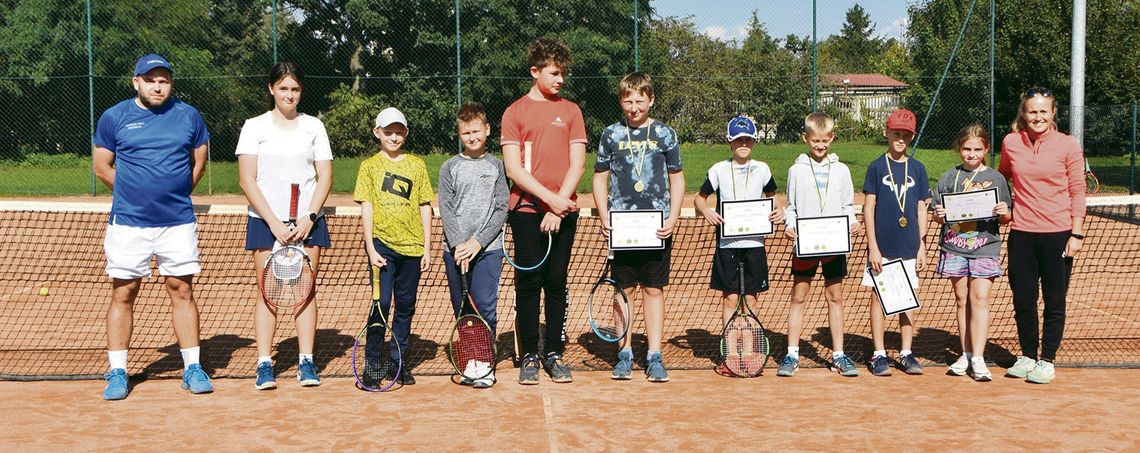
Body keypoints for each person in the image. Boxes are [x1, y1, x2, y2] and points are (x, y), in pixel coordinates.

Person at [92, 54, 213, 400]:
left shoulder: (188, 115)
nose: (158, 86)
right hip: (129, 223)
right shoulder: (115, 117)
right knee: (124, 292)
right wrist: (136, 194)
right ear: (136, 82)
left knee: (182, 290)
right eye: (150, 79)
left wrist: (171, 194)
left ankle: (192, 367)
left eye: (164, 80)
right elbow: (102, 166)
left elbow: (198, 162)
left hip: (177, 222)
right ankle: (117, 372)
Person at [236, 62, 332, 390]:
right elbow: (247, 179)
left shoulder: (314, 127)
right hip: (265, 223)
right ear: (271, 89)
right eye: (283, 88)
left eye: (294, 89)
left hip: (308, 224)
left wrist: (310, 216)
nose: (289, 94)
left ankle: (306, 361)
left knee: (305, 290)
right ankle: (265, 363)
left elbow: (325, 176)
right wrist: (274, 222)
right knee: (268, 292)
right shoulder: (254, 127)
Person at [500, 37, 587, 385]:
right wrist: (547, 201)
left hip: (563, 211)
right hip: (524, 211)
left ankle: (554, 352)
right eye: (554, 73)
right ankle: (530, 356)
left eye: (563, 73)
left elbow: (577, 164)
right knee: (528, 282)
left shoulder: (571, 111)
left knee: (556, 282)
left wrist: (559, 204)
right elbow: (513, 170)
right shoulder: (514, 112)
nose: (560, 79)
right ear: (535, 71)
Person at [592, 72, 684, 383]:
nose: (633, 106)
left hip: (656, 228)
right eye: (628, 100)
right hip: (623, 227)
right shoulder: (610, 135)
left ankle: (654, 354)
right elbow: (599, 178)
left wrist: (672, 218)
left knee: (653, 290)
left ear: (651, 100)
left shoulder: (665, 134)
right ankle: (625, 352)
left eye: (639, 100)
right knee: (623, 291)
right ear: (621, 101)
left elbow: (677, 178)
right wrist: (605, 216)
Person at [998, 87, 1087, 384]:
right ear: (1023, 114)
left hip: (1058, 234)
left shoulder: (1068, 145)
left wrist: (1076, 233)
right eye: (1032, 111)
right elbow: (1001, 180)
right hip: (1021, 234)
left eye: (1043, 111)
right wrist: (1005, 210)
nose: (1037, 117)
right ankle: (1026, 355)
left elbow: (1077, 189)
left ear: (1052, 114)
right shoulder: (1011, 142)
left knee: (1054, 300)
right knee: (1023, 298)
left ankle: (1047, 359)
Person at [693, 115, 784, 376]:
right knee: (731, 298)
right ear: (730, 142)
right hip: (727, 244)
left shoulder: (763, 169)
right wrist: (707, 211)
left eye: (747, 139)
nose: (743, 143)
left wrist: (778, 212)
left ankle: (752, 354)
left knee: (751, 300)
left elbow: (773, 199)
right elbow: (700, 199)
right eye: (738, 140)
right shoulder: (718, 170)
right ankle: (731, 355)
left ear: (754, 141)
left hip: (755, 242)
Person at [353, 106, 434, 386]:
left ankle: (397, 364)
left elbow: (425, 206)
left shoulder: (417, 165)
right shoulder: (369, 167)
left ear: (406, 134)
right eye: (388, 132)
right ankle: (373, 364)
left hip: (412, 249)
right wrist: (371, 248)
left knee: (405, 307)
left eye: (399, 132)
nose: (394, 137)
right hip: (382, 247)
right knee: (381, 304)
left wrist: (427, 247)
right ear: (378, 133)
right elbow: (366, 207)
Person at [778, 112, 861, 378]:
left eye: (825, 140)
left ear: (832, 138)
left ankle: (839, 354)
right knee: (799, 296)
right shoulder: (796, 170)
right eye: (815, 141)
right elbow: (791, 207)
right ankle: (792, 354)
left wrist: (852, 221)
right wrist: (789, 225)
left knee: (835, 297)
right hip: (806, 243)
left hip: (834, 243)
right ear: (805, 138)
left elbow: (848, 205)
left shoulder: (842, 170)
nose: (820, 146)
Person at [931, 124, 1011, 382]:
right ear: (959, 149)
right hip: (955, 246)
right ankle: (964, 354)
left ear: (986, 149)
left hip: (984, 247)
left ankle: (978, 357)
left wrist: (1003, 213)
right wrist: (939, 215)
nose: (971, 153)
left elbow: (1006, 217)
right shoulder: (947, 178)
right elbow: (937, 216)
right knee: (961, 299)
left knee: (980, 299)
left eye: (977, 149)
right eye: (967, 148)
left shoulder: (996, 178)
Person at [439, 102, 509, 389]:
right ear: (459, 134)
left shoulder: (496, 166)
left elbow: (501, 208)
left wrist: (477, 243)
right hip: (455, 252)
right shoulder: (449, 167)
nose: (471, 137)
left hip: (488, 251)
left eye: (476, 130)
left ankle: (485, 362)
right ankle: (470, 362)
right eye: (465, 132)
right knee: (463, 310)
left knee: (485, 308)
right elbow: (445, 207)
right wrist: (459, 245)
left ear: (487, 130)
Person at [862, 108, 930, 377]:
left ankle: (905, 352)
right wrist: (873, 247)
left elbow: (922, 208)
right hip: (883, 246)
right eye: (896, 133)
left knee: (908, 300)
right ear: (886, 133)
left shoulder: (919, 168)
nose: (901, 139)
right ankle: (878, 353)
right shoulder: (877, 167)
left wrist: (922, 244)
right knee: (879, 297)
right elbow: (869, 208)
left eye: (906, 135)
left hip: (909, 245)